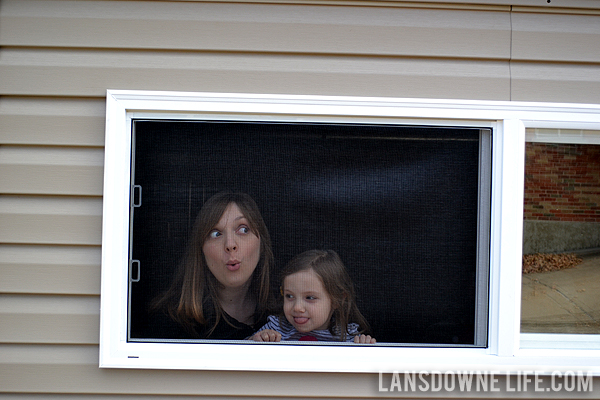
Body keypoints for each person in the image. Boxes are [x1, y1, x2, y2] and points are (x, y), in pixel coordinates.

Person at [150, 191, 275, 339]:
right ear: (201, 250)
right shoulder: (170, 324)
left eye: (243, 230)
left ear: (261, 241)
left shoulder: (289, 315)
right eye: (216, 234)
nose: (230, 245)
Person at [250, 249, 376, 343]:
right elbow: (237, 353)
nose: (297, 307)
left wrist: (365, 349)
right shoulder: (276, 329)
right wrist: (256, 340)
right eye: (289, 296)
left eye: (310, 298)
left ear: (337, 300)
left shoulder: (349, 338)